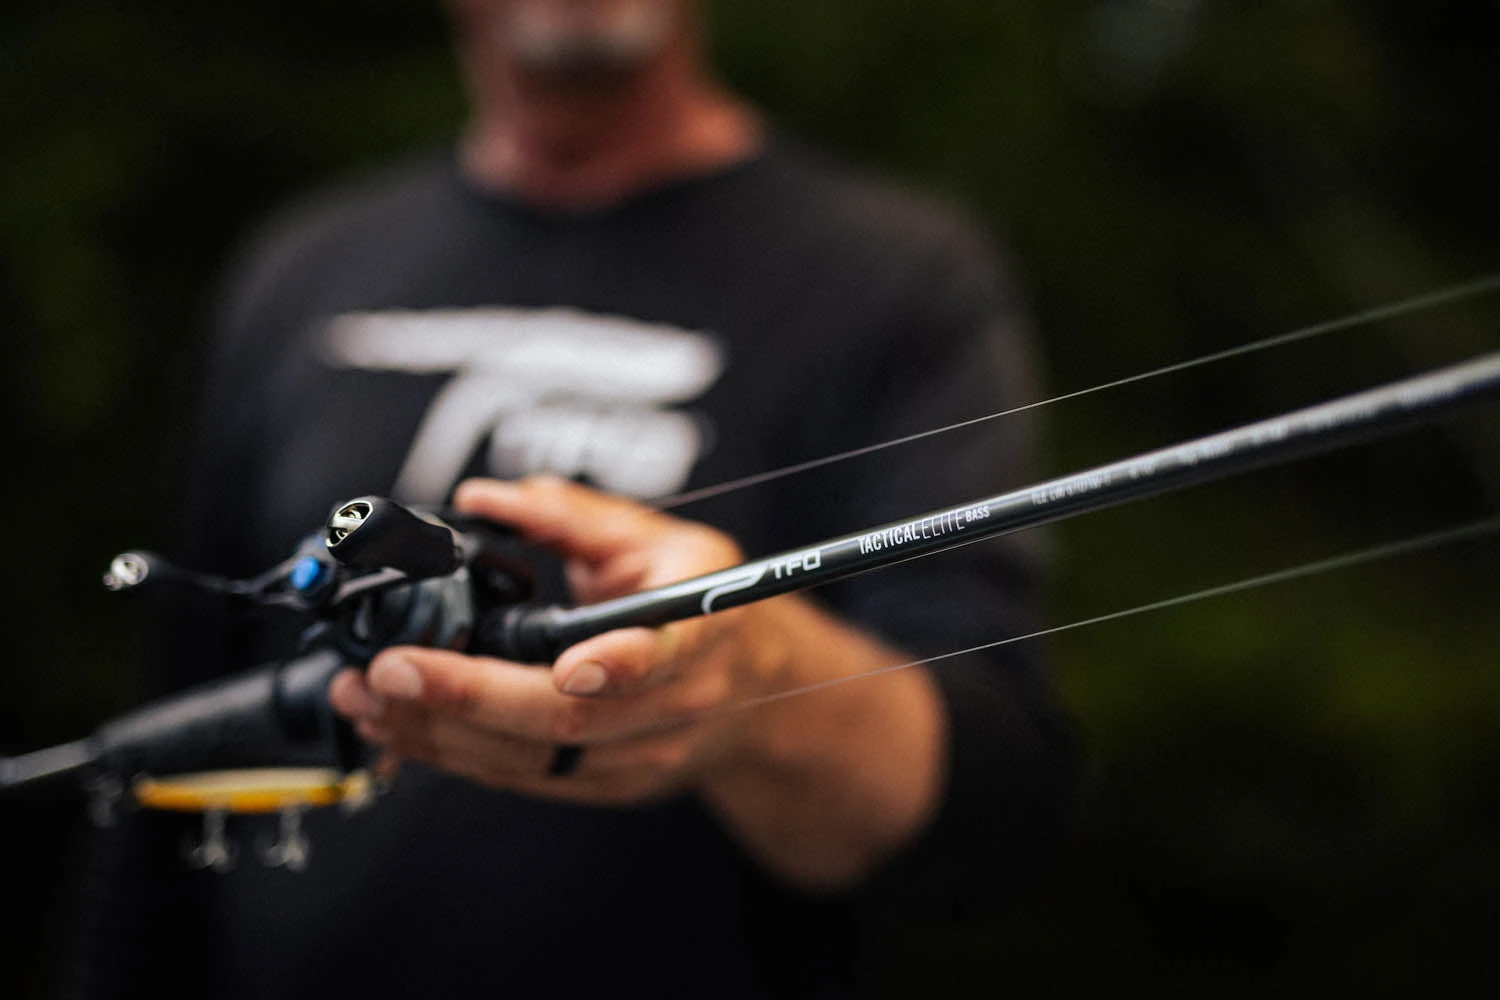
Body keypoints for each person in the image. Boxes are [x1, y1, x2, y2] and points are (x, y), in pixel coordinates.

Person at [74, 1, 1072, 996]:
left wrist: (760, 679)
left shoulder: (902, 279)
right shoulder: (298, 268)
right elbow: (180, 701)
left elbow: (992, 813)